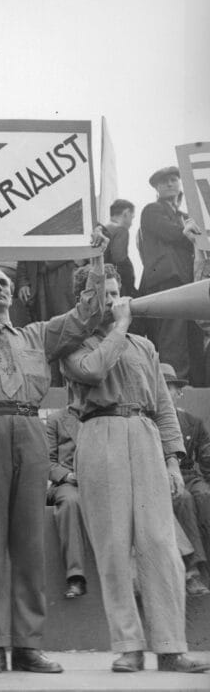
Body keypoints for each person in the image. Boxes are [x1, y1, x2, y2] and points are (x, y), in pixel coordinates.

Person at [0, 238, 108, 676]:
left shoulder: (37, 334)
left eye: (4, 282)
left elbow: (86, 316)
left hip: (29, 428)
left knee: (29, 543)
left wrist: (96, 258)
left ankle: (27, 646)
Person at [60, 263, 210, 673]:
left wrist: (173, 461)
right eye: (102, 295)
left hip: (144, 435)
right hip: (99, 433)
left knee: (160, 543)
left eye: (115, 293)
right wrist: (121, 325)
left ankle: (170, 647)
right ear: (84, 300)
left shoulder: (144, 346)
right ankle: (128, 645)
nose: (112, 301)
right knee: (112, 546)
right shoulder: (71, 341)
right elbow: (93, 370)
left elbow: (163, 406)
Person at [138, 165, 203, 385]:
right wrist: (190, 233)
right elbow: (170, 233)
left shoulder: (186, 216)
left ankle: (193, 387)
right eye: (163, 181)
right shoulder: (152, 210)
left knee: (192, 338)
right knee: (172, 340)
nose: (169, 183)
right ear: (156, 188)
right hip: (167, 282)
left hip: (188, 283)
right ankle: (174, 388)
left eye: (174, 179)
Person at [162, 363, 210, 596]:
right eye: (161, 388)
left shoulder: (192, 421)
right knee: (184, 498)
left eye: (170, 388)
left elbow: (207, 456)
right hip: (160, 477)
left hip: (189, 475)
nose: (165, 394)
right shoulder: (147, 422)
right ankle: (193, 570)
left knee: (204, 495)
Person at [44, 407, 89, 599]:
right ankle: (75, 576)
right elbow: (47, 462)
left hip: (100, 483)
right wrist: (68, 476)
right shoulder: (56, 419)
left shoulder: (104, 418)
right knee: (71, 501)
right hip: (67, 484)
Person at [99, 199, 137, 296]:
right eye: (132, 218)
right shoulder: (120, 230)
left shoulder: (102, 230)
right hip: (119, 285)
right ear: (126, 213)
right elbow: (119, 258)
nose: (131, 223)